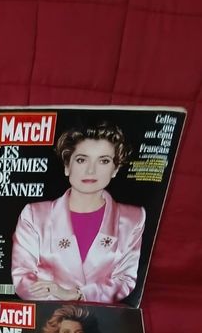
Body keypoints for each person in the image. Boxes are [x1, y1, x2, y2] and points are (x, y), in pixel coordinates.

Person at [11, 122, 145, 303]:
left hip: (102, 316)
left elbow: (125, 281)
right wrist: (58, 298)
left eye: (104, 161)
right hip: (47, 313)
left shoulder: (133, 218)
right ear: (67, 166)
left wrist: (77, 294)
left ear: (115, 169)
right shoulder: (34, 215)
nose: (91, 170)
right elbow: (22, 279)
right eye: (82, 160)